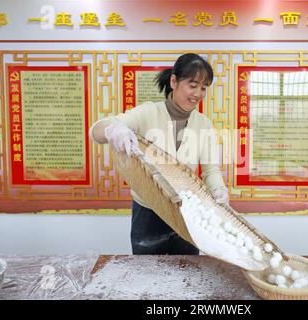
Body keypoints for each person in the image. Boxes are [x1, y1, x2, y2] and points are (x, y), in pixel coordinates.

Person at [89, 53, 229, 255]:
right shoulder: (149, 113)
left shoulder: (204, 124)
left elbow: (210, 169)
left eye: (204, 88)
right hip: (148, 215)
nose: (198, 93)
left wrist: (219, 190)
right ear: (174, 81)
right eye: (192, 85)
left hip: (186, 214)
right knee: (148, 278)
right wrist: (113, 129)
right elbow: (97, 131)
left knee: (187, 275)